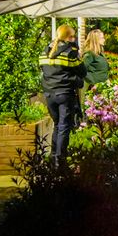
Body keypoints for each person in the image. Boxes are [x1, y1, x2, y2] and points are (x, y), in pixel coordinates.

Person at [39, 23, 86, 163]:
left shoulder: (44, 52)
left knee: (57, 125)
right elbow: (82, 71)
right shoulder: (70, 53)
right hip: (65, 94)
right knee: (64, 126)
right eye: (73, 36)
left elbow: (44, 71)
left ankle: (53, 157)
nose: (74, 39)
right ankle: (60, 160)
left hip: (49, 94)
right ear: (68, 37)